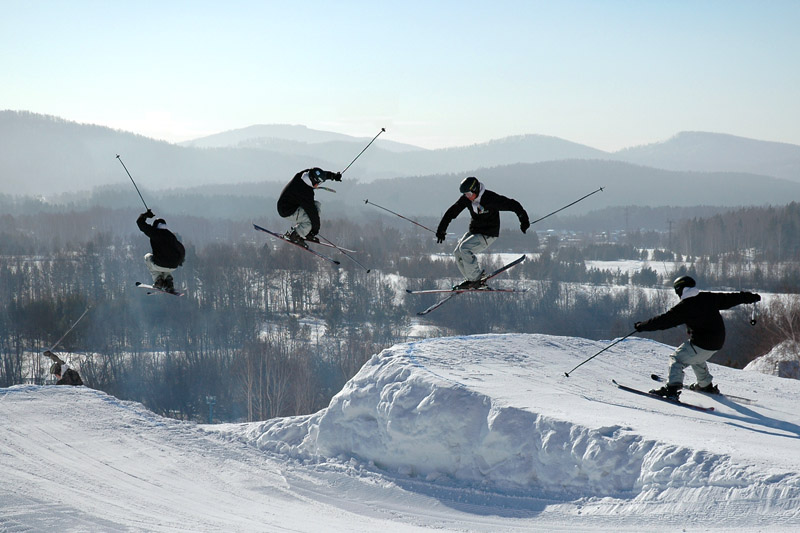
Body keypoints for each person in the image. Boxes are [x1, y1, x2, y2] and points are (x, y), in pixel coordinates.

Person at [634, 275, 761, 399]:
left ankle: (672, 388)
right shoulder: (708, 297)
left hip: (702, 343)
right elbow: (730, 298)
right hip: (717, 342)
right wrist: (750, 297)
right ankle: (705, 385)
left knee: (676, 359)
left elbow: (663, 321)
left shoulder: (684, 306)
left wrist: (642, 326)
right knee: (696, 357)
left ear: (680, 290)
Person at [435, 176, 530, 289]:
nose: (467, 197)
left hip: (488, 233)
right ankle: (471, 280)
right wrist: (442, 229)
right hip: (475, 232)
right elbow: (451, 212)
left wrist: (524, 220)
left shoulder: (490, 198)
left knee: (465, 249)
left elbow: (513, 205)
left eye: (469, 194)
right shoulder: (466, 199)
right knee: (457, 252)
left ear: (475, 189)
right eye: (465, 194)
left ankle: (476, 279)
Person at [277, 167, 342, 247]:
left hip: (291, 204)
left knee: (317, 205)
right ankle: (295, 236)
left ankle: (306, 232)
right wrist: (315, 231)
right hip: (287, 210)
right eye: (318, 183)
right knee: (309, 221)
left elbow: (320, 174)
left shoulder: (302, 175)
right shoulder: (305, 193)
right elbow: (312, 213)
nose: (318, 185)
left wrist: (333, 176)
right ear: (314, 182)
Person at [136, 209, 185, 293]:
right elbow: (181, 249)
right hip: (173, 265)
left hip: (160, 263)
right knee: (166, 261)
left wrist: (145, 215)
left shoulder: (154, 232)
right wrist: (180, 261)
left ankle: (159, 281)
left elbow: (140, 223)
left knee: (148, 257)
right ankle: (168, 281)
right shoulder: (171, 236)